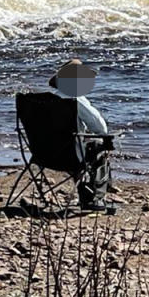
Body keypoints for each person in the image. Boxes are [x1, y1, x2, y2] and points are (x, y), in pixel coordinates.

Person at [48, 58, 114, 211]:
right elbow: (100, 127)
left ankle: (86, 191)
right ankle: (94, 197)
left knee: (81, 144)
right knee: (101, 143)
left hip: (44, 154)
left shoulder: (46, 101)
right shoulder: (75, 99)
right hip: (71, 156)